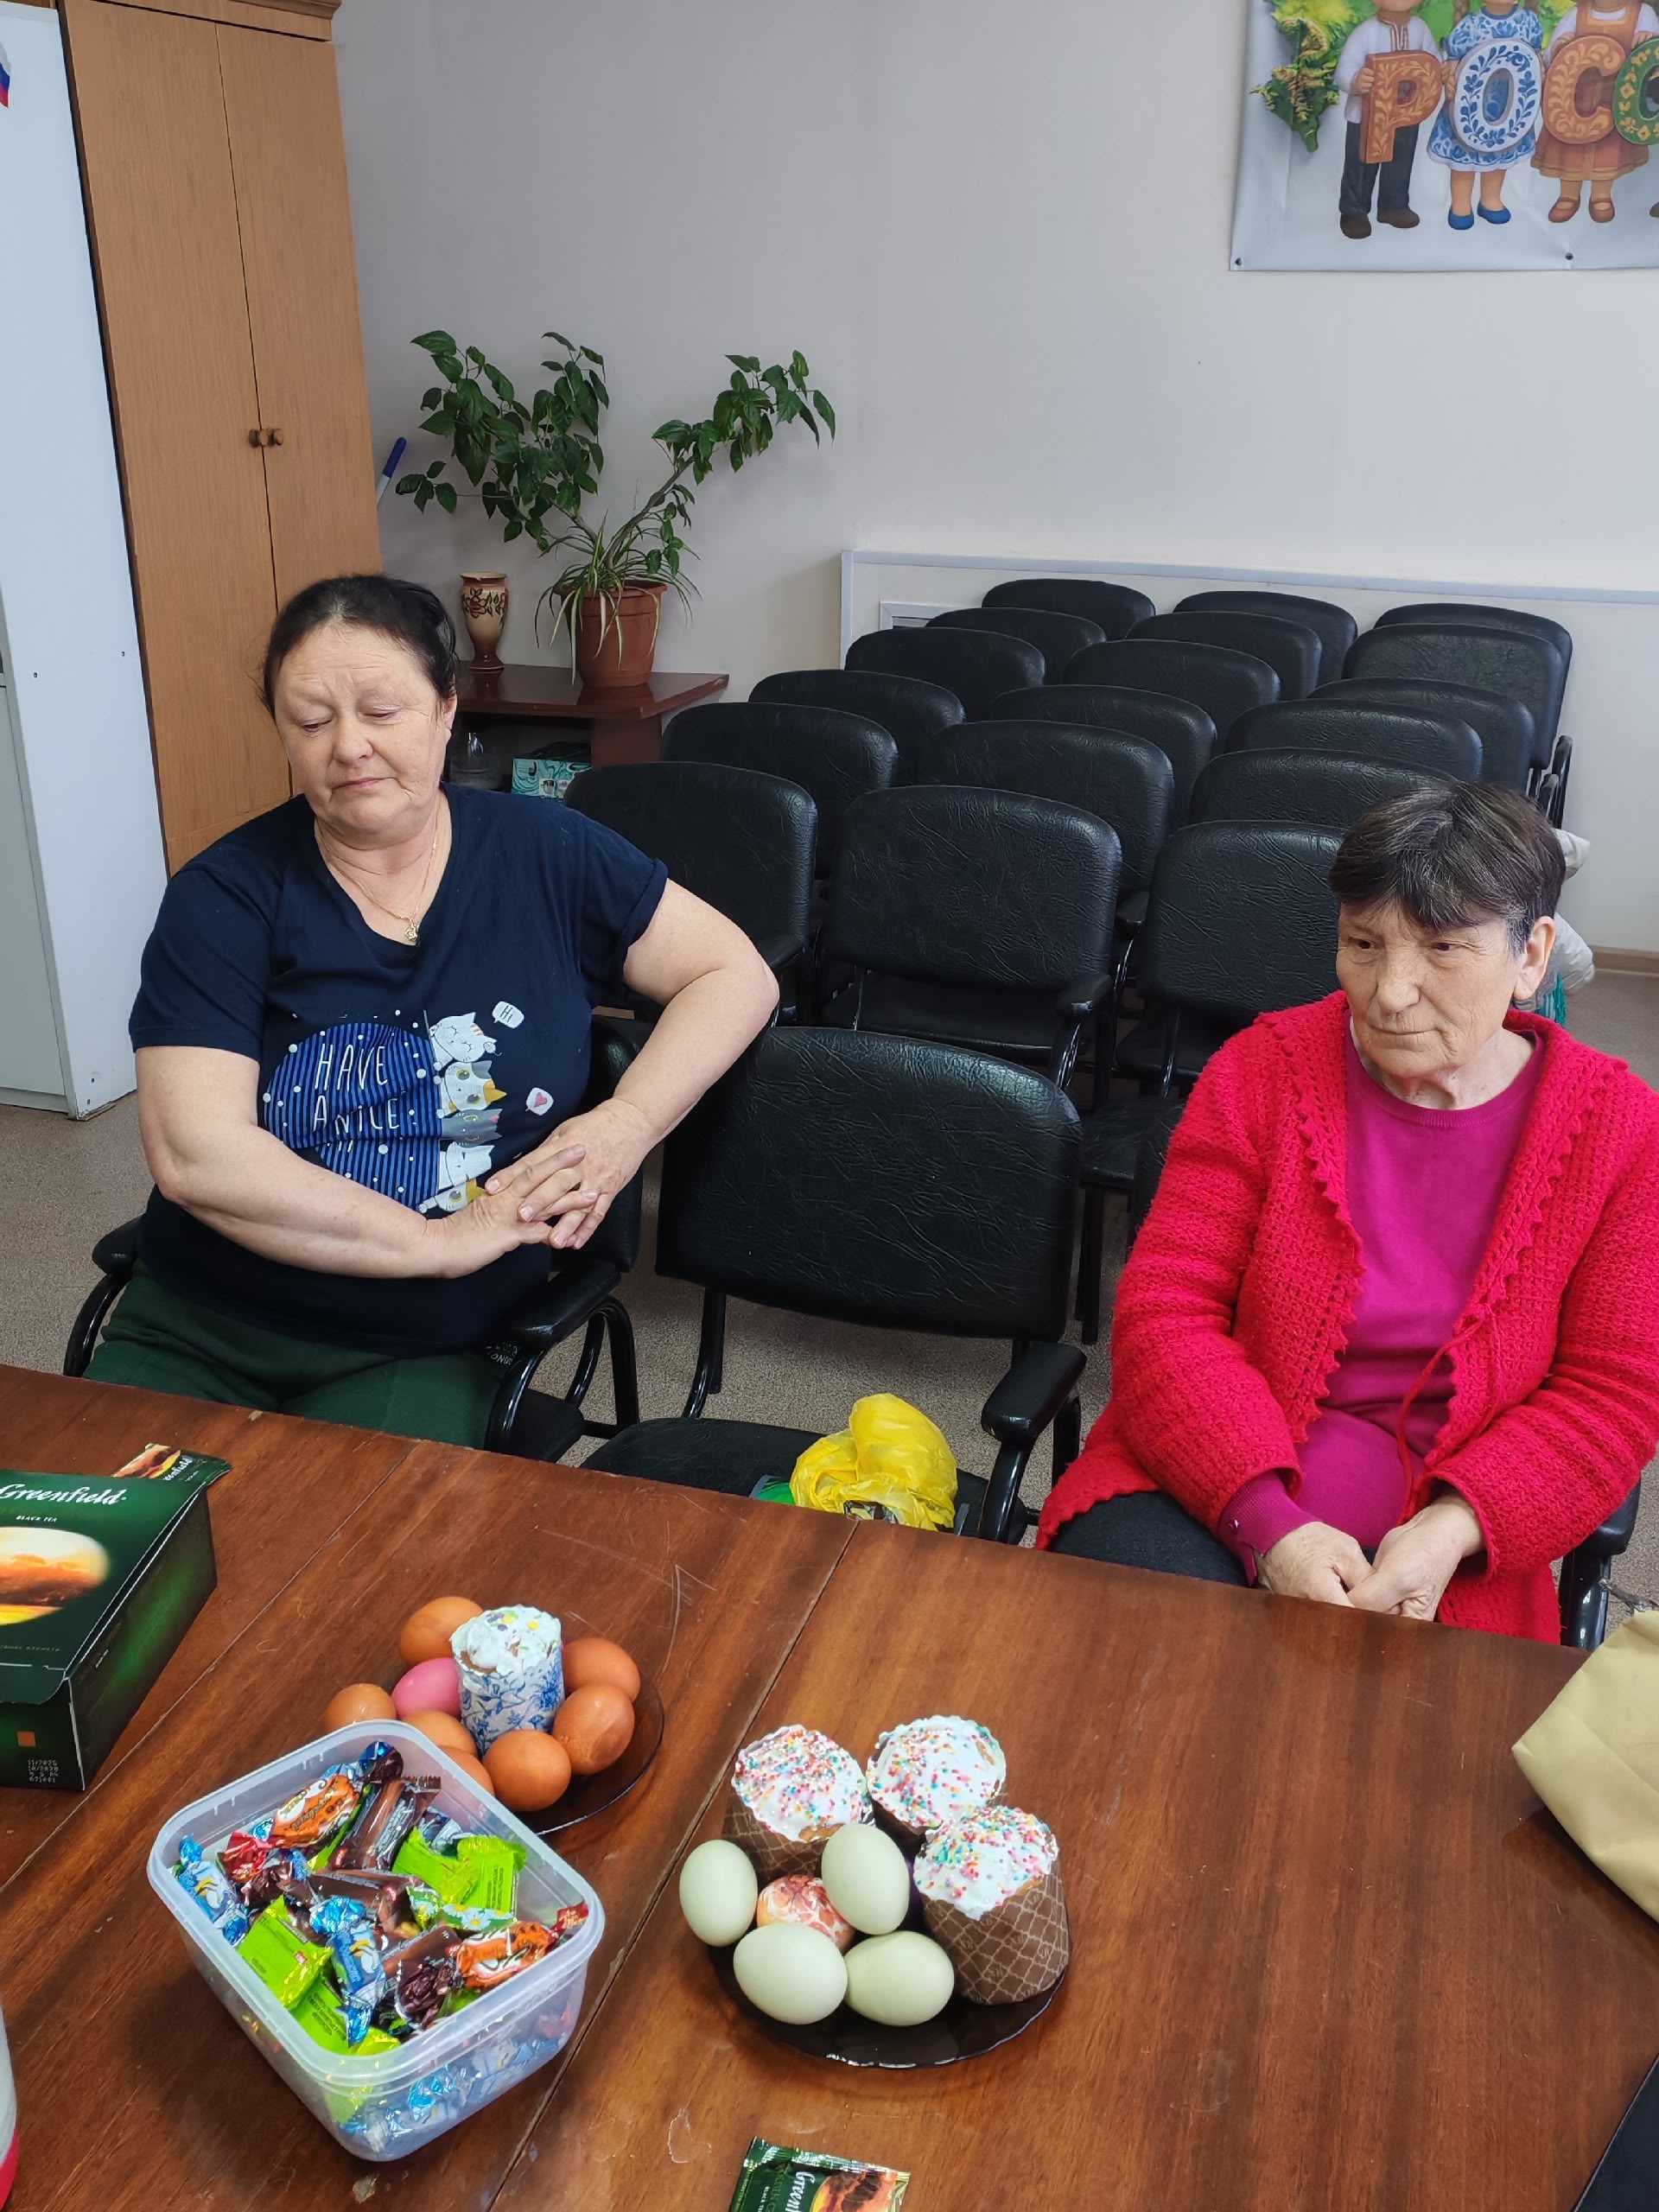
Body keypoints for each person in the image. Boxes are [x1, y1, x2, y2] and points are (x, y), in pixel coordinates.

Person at [87, 575, 779, 1443]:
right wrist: (437, 1243)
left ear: (447, 710)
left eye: (382, 711)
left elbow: (734, 974)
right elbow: (196, 1154)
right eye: (312, 721)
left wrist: (626, 1124)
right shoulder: (225, 894)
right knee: (94, 1525)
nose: (350, 747)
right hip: (205, 1317)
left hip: (423, 1342)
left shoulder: (550, 854)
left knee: (347, 1532)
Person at [1038, 785, 1659, 1641]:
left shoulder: (1622, 1133)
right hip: (1207, 1479)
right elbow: (1166, 1313)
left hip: (1449, 1537)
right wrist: (1269, 1526)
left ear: (1532, 955)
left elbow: (1609, 1396)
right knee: (1141, 1658)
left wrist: (1454, 1527)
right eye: (1363, 943)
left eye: (1442, 948)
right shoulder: (1263, 1070)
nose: (1390, 991)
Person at [1533, 1, 1659, 222]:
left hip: (1616, 101)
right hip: (1575, 98)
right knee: (1570, 150)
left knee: (1608, 152)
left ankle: (1601, 196)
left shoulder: (1641, 13)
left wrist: (1647, 40)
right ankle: (1568, 195)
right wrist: (1560, 46)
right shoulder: (1576, 14)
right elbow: (1551, 55)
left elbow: (1653, 55)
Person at [1427, 0, 1545, 230]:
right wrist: (1450, 80)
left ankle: (1490, 199)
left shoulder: (1529, 22)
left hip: (1509, 101)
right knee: (1464, 157)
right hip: (1471, 104)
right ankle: (1461, 204)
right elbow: (1454, 64)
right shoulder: (1469, 26)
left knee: (1500, 151)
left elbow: (1534, 57)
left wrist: (1539, 72)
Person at [1333, 0, 1441, 238]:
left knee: (1401, 160)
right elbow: (1344, 68)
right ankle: (1354, 210)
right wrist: (1355, 80)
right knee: (1362, 162)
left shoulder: (1420, 29)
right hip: (1367, 116)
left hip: (1407, 112)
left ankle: (1394, 205)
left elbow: (1433, 61)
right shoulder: (1366, 32)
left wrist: (1441, 72)